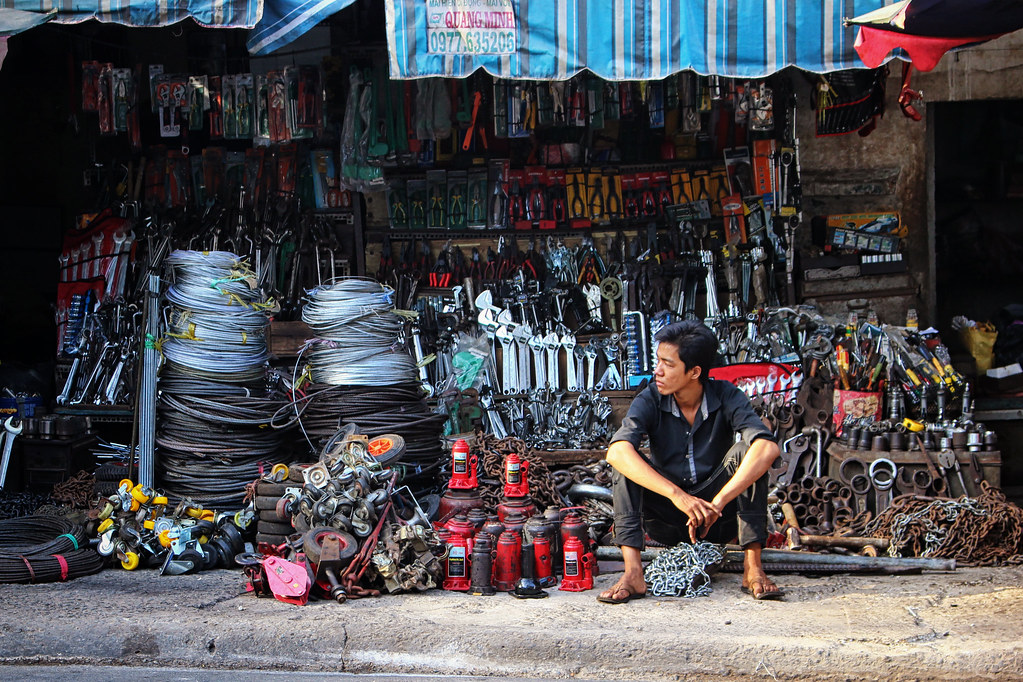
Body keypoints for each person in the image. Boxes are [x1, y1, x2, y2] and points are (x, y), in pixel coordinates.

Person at [597, 320, 784, 603]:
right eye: (658, 361)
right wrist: (678, 496)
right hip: (668, 518)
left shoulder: (727, 395)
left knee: (749, 451)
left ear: (694, 371)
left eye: (668, 364)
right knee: (626, 464)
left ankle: (753, 567)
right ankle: (633, 573)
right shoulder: (650, 398)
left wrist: (718, 503)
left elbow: (767, 449)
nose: (657, 371)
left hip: (718, 519)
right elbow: (617, 452)